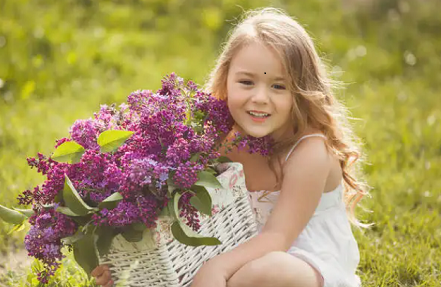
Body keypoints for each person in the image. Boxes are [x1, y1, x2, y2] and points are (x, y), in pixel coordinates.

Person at [93, 7, 369, 287]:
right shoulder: (220, 138)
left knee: (273, 270)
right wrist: (128, 262)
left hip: (304, 264)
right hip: (235, 257)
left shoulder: (310, 151)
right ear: (226, 79)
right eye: (246, 82)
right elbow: (172, 213)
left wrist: (217, 268)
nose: (260, 97)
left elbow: (278, 238)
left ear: (300, 91)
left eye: (278, 86)